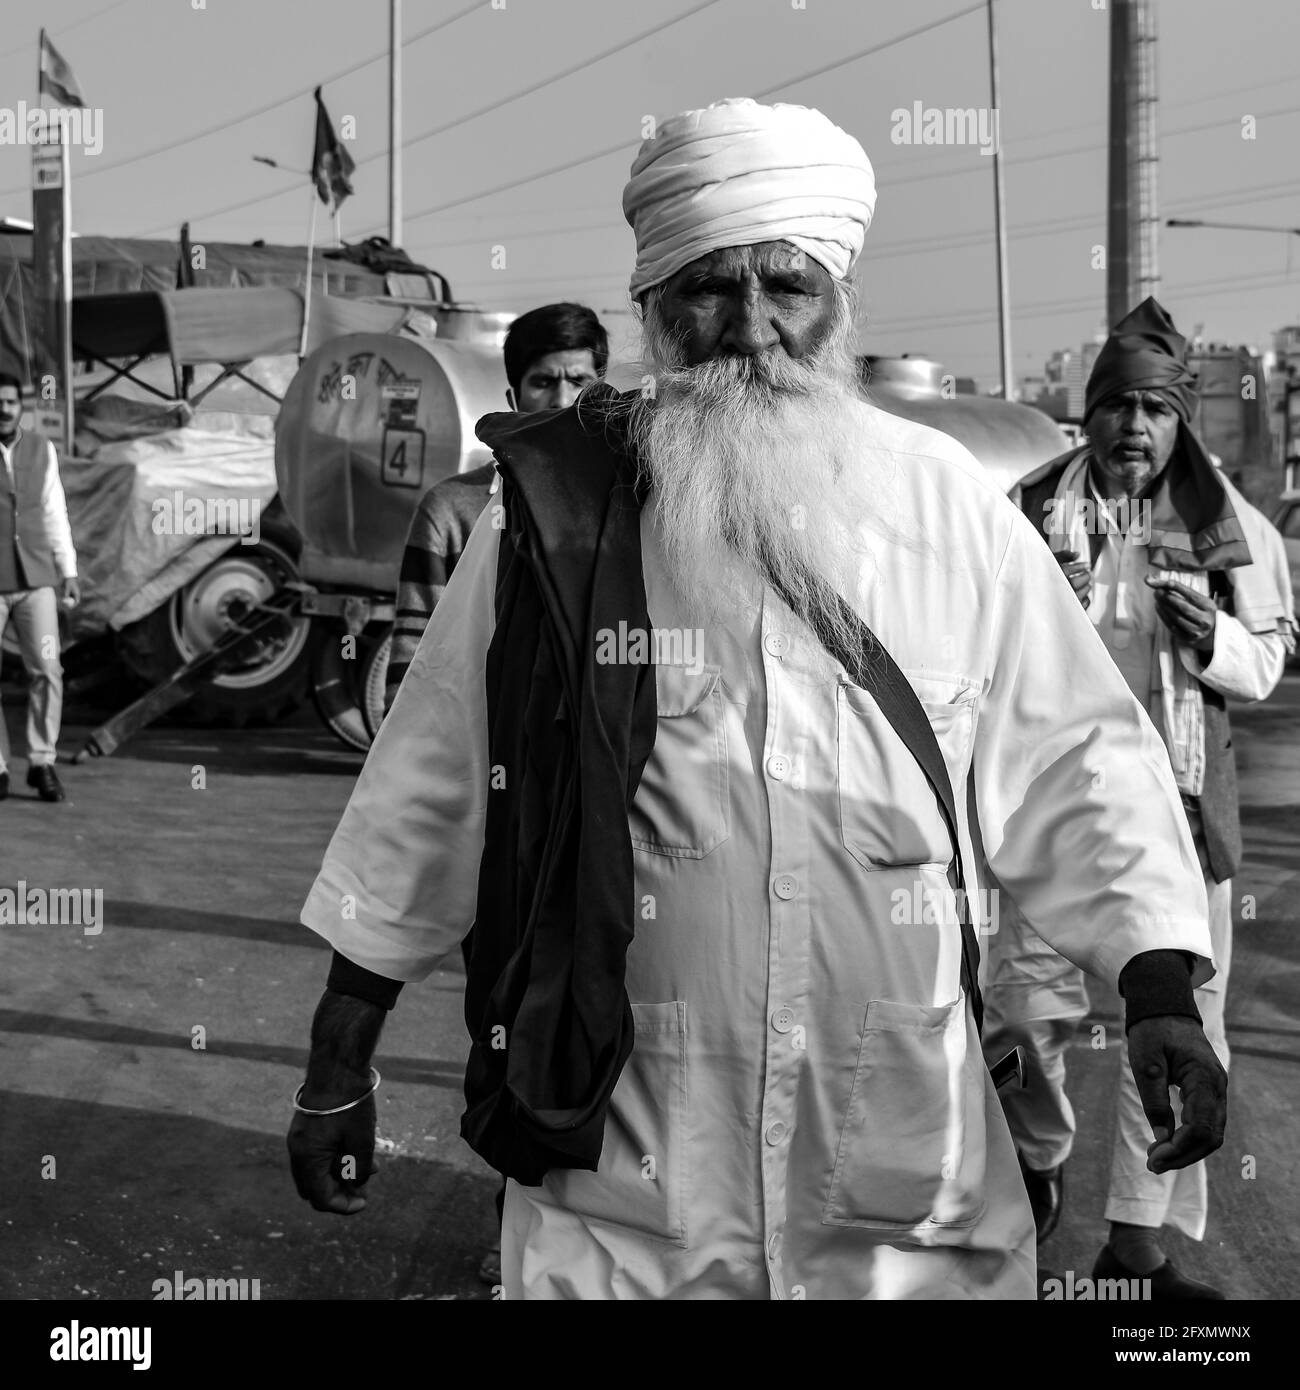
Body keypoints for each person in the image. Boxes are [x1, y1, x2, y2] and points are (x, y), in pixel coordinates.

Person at [288, 98, 1226, 1301]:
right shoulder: (560, 511)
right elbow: (436, 769)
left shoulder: (943, 505)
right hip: (625, 1176)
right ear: (653, 312)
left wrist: (1157, 984)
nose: (750, 330)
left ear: (836, 301)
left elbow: (1076, 757)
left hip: (898, 1194)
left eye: (784, 286)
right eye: (706, 291)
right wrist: (338, 1051)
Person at [983, 297, 1295, 1298]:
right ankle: (1030, 1172)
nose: (1132, 427)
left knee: (1170, 1038)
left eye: (1153, 410)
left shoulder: (1230, 529)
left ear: (1179, 420)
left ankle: (1135, 1248)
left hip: (1183, 827)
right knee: (1022, 1023)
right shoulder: (1024, 512)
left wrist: (1211, 635)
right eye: (1115, 405)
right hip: (1045, 817)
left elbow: (1269, 663)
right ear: (1090, 411)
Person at [384, 302, 609, 709]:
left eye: (578, 380)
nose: (561, 399)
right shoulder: (450, 511)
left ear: (602, 394)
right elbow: (415, 660)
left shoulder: (628, 504)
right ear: (513, 397)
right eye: (542, 381)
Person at [0, 372, 79, 804]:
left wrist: (68, 568)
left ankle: (41, 762)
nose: (3, 408)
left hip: (36, 580)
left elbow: (54, 510)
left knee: (47, 670)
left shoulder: (40, 449)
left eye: (10, 402)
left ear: (21, 406)